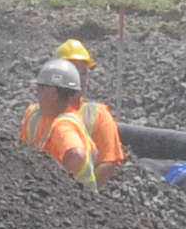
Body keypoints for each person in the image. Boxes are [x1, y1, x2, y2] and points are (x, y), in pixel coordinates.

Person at [49, 39, 129, 172]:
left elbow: (108, 162)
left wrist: (87, 190)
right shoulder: (35, 114)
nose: (79, 78)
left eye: (83, 73)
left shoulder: (97, 115)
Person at [21, 57, 104, 181]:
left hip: (74, 199)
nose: (37, 92)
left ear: (53, 93)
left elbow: (77, 155)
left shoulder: (64, 125)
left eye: (40, 87)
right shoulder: (37, 115)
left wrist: (57, 185)